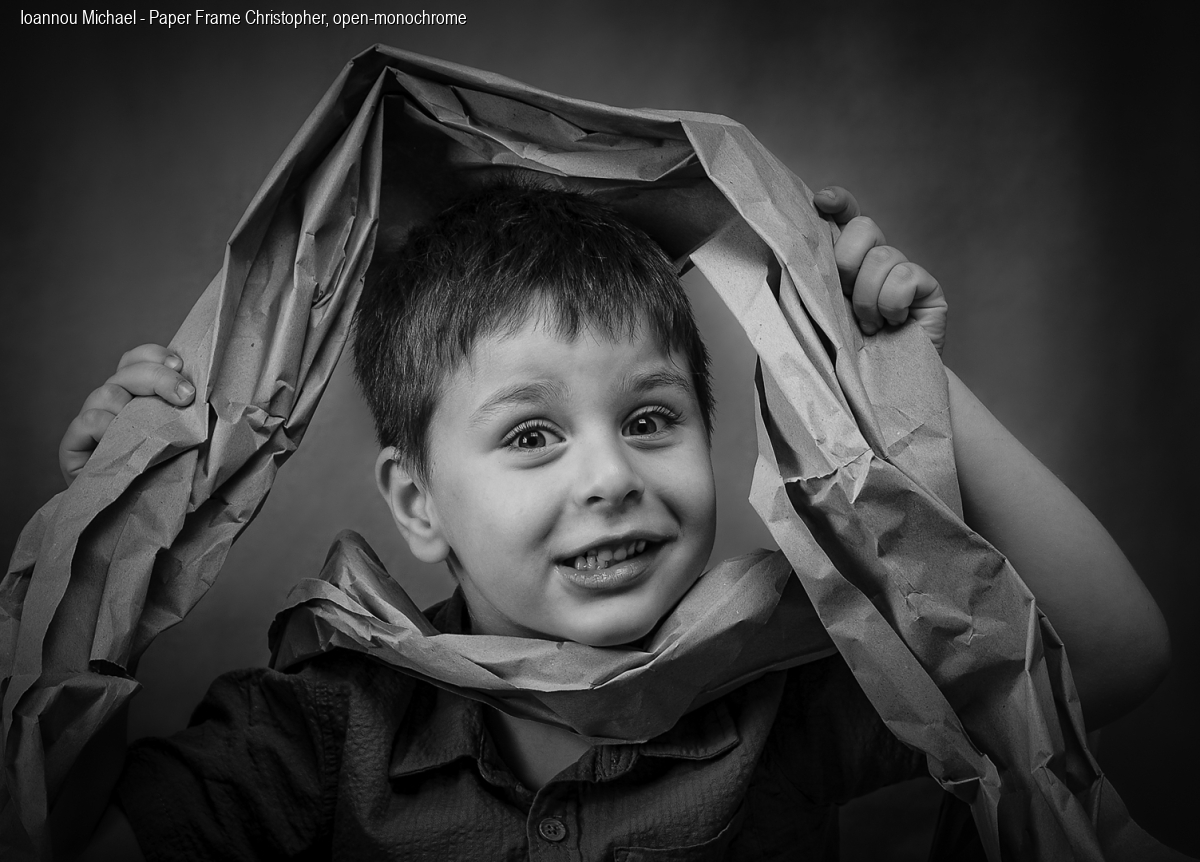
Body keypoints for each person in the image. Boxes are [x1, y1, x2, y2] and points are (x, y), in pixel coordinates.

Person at [60, 185, 1168, 861]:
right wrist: (104, 533)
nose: (610, 476)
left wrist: (903, 375)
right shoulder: (318, 728)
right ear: (417, 503)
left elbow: (1110, 658)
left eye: (648, 419)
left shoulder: (780, 689)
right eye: (531, 434)